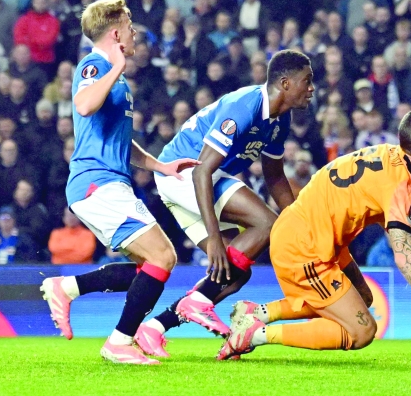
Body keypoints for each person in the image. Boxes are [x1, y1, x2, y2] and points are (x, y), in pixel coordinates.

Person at [218, 108, 411, 358]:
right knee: (362, 331)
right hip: (304, 247)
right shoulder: (399, 186)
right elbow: (404, 258)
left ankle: (257, 312)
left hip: (315, 235)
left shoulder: (388, 157)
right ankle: (255, 334)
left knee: (362, 297)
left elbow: (399, 234)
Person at [40, 0, 196, 365]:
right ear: (115, 31)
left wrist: (161, 167)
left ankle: (68, 287)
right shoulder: (94, 65)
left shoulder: (117, 77)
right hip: (97, 183)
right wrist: (114, 68)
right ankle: (119, 342)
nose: (135, 31)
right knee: (163, 255)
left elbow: (121, 140)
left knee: (151, 266)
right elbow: (82, 105)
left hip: (110, 183)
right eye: (129, 24)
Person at [135, 50, 315, 355]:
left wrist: (301, 222)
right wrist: (215, 236)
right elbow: (203, 170)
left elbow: (275, 179)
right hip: (185, 173)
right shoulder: (244, 107)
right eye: (307, 81)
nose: (312, 88)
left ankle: (154, 327)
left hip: (193, 182)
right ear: (285, 83)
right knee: (267, 224)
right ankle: (198, 301)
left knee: (236, 273)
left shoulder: (280, 120)